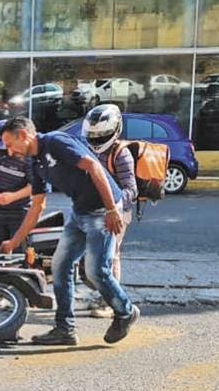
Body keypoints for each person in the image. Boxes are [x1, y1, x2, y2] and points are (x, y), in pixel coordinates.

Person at [0, 116, 139, 346]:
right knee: (59, 266)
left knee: (96, 271)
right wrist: (15, 241)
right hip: (80, 212)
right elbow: (37, 206)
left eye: (10, 144)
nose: (9, 151)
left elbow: (93, 166)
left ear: (23, 135)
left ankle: (126, 312)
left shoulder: (55, 142)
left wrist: (113, 209)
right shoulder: (35, 163)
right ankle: (65, 329)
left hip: (103, 210)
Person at [82, 104, 137, 318]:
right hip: (92, 211)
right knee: (91, 258)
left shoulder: (121, 154)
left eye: (102, 135)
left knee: (110, 257)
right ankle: (102, 294)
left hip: (117, 213)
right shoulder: (87, 149)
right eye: (92, 135)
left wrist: (111, 207)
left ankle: (110, 302)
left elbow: (131, 190)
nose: (96, 140)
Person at [0, 119, 34, 255]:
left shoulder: (26, 157)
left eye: (9, 145)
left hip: (21, 211)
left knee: (18, 253)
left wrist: (13, 197)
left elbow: (35, 187)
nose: (7, 152)